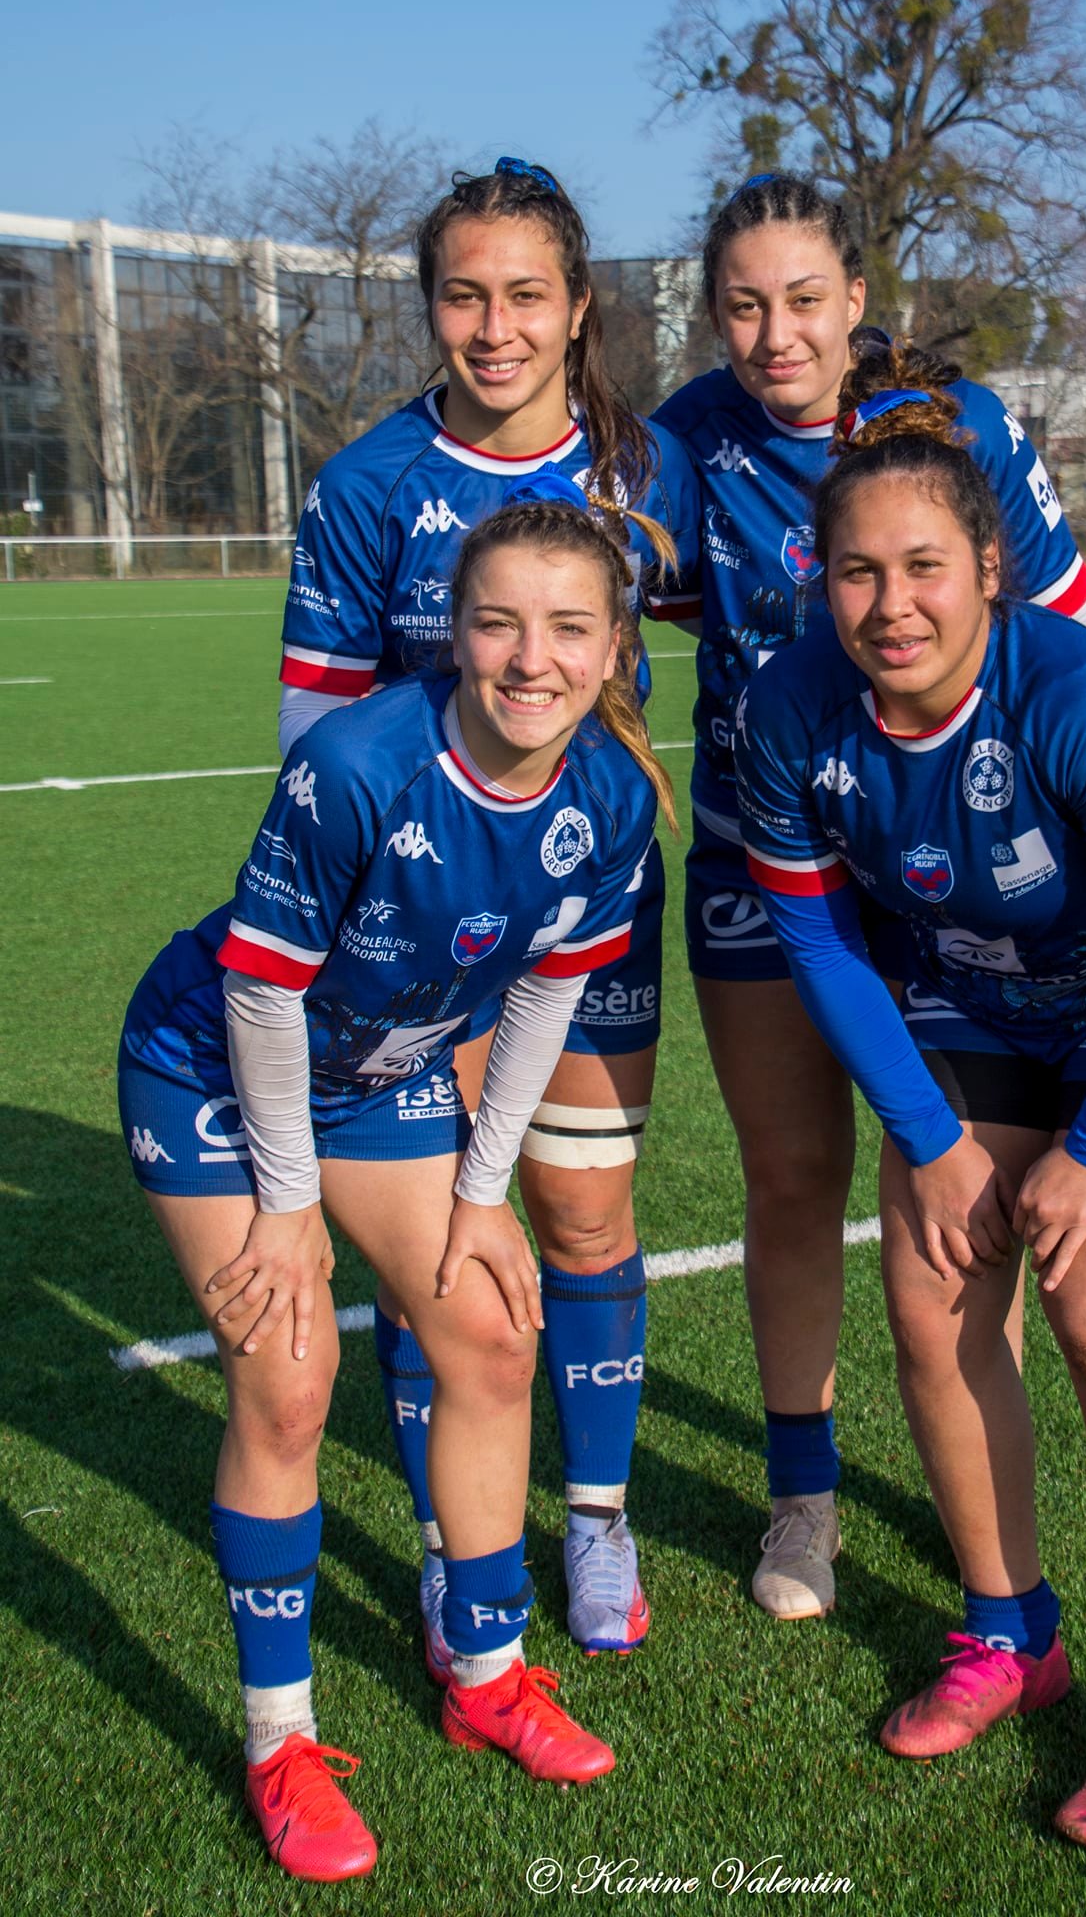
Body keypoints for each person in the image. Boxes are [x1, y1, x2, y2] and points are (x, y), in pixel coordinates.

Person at [732, 368, 1086, 1851]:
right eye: (856, 570)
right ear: (817, 578)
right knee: (932, 1295)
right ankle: (1007, 1634)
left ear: (987, 570)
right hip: (974, 1006)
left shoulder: (1085, 700)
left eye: (922, 568)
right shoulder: (787, 709)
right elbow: (824, 943)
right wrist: (930, 1138)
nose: (889, 604)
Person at [118, 486, 671, 1876]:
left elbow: (546, 995)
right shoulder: (361, 764)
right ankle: (280, 1740)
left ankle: (485, 1677)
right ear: (453, 636)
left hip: (381, 1071)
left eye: (564, 630)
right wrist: (290, 1210)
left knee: (487, 1330)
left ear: (611, 651)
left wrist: (485, 1192)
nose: (528, 660)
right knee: (289, 1369)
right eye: (496, 625)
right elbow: (254, 1000)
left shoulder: (610, 794)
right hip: (212, 1064)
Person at [651, 173, 1086, 1620]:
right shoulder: (685, 443)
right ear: (710, 313)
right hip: (768, 855)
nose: (774, 333)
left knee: (969, 1195)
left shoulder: (958, 425)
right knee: (794, 1175)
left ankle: (978, 1456)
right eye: (743, 304)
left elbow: (1068, 623)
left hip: (953, 864)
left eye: (803, 299)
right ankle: (802, 1500)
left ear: (856, 298)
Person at [278, 157, 699, 1664]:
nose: (497, 324)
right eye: (465, 293)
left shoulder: (651, 469)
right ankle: (458, 1550)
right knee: (435, 1247)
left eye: (527, 293)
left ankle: (593, 1520)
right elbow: (308, 736)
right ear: (430, 308)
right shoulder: (367, 485)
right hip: (414, 948)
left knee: (581, 1213)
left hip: (591, 913)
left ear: (577, 307)